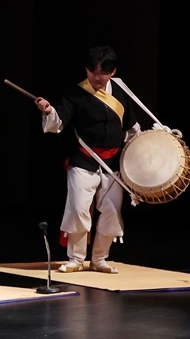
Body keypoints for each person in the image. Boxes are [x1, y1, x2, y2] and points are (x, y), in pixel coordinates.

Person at [34, 45, 145, 273]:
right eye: (92, 72)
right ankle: (76, 259)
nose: (97, 77)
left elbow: (132, 127)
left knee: (112, 210)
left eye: (102, 73)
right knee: (78, 208)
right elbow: (58, 123)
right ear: (86, 69)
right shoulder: (75, 94)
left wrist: (141, 152)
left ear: (112, 72)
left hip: (113, 162)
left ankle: (100, 259)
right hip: (83, 160)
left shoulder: (121, 92)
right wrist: (48, 111)